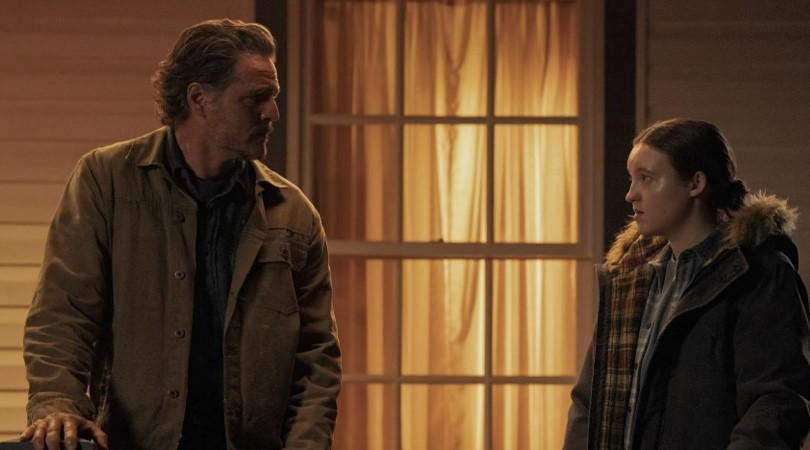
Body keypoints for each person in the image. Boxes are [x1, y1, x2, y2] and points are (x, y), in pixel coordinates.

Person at [19, 18, 341, 450]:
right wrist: (58, 403)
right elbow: (64, 314)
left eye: (274, 96)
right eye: (255, 98)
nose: (272, 112)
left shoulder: (293, 213)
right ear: (199, 98)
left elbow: (316, 358)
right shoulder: (107, 180)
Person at [563, 118, 810, 449]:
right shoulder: (630, 279)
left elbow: (775, 404)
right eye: (632, 179)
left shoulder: (758, 274)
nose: (630, 194)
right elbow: (588, 404)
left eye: (646, 178)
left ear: (695, 183)